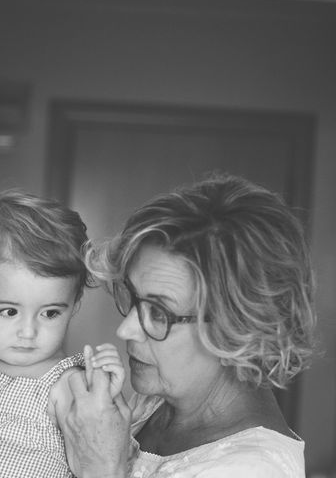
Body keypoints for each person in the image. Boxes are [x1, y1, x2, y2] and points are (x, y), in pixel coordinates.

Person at [52, 174, 316, 477]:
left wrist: (98, 467)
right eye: (133, 297)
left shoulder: (254, 469)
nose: (126, 330)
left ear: (237, 328)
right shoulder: (154, 403)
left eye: (160, 313)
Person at [0, 191, 125, 478]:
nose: (29, 332)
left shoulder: (66, 385)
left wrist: (103, 394)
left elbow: (96, 459)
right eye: (9, 312)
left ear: (74, 305)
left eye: (50, 313)